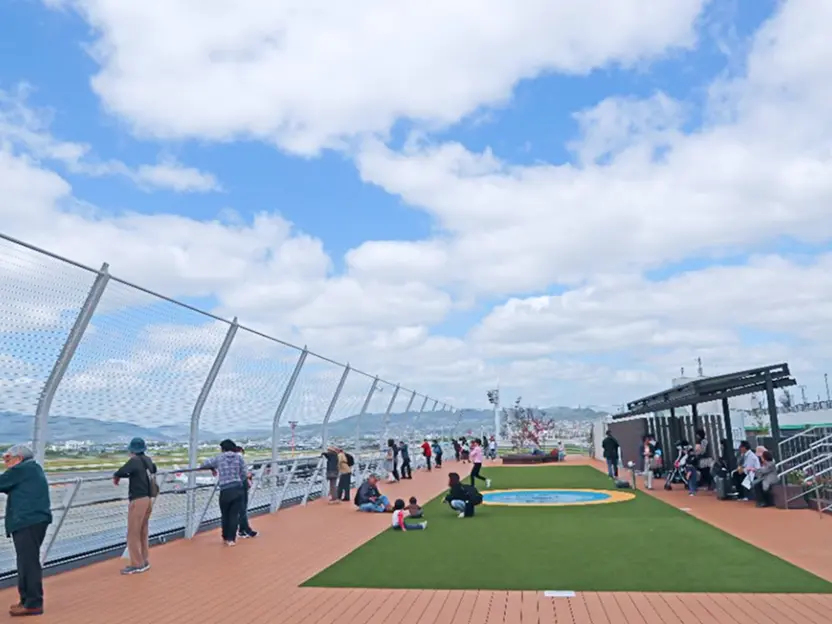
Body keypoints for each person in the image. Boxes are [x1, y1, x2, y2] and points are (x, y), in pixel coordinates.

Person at [0, 445, 52, 617]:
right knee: (27, 561)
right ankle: (27, 600)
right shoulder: (33, 469)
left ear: (19, 458)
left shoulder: (21, 470)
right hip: (35, 520)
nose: (5, 462)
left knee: (27, 563)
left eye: (8, 458)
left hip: (27, 521)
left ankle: (33, 603)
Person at [113, 437, 157, 574]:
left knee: (133, 533)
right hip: (149, 499)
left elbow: (121, 471)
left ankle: (137, 564)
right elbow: (153, 469)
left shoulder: (134, 461)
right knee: (143, 531)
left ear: (132, 450)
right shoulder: (147, 460)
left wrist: (117, 476)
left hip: (138, 500)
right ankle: (144, 560)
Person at [200, 439, 248, 546]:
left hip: (225, 490)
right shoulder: (239, 458)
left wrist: (212, 468)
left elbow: (203, 464)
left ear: (223, 448)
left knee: (225, 514)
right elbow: (244, 473)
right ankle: (232, 539)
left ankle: (225, 536)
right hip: (238, 488)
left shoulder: (219, 458)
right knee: (234, 515)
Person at [234, 447, 258, 539]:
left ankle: (242, 530)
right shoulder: (239, 460)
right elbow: (244, 473)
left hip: (236, 486)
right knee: (242, 509)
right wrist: (248, 475)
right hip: (241, 486)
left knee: (241, 509)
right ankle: (245, 530)